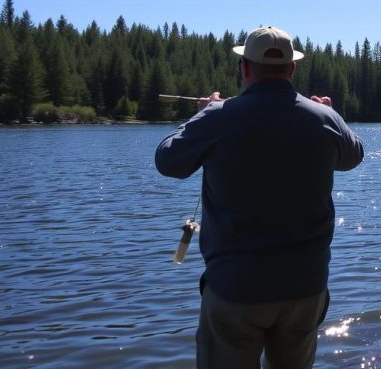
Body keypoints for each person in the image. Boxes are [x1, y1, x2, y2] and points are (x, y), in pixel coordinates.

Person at [155, 25, 364, 368]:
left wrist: (203, 112)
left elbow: (168, 162)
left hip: (236, 288)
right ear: (292, 68)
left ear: (245, 68)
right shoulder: (324, 118)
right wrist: (330, 113)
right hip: (305, 286)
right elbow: (352, 156)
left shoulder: (216, 116)